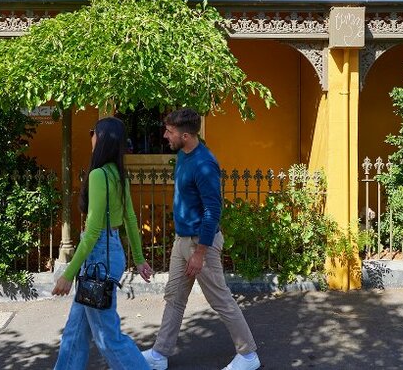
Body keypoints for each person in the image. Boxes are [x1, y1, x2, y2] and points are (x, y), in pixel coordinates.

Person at [141, 108, 261, 370]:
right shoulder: (184, 156)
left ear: (185, 135)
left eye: (169, 132)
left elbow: (213, 210)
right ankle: (160, 354)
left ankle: (249, 355)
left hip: (200, 243)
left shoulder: (204, 164)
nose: (164, 135)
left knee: (220, 299)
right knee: (174, 297)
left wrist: (200, 253)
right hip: (182, 240)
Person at [52, 116, 154, 370]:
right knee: (75, 331)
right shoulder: (119, 175)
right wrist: (139, 259)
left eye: (93, 132)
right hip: (112, 253)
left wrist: (68, 273)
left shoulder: (98, 175)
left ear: (103, 138)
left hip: (98, 258)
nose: (91, 136)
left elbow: (94, 229)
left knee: (107, 336)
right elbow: (130, 218)